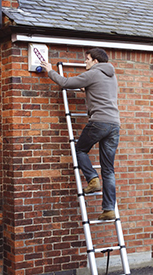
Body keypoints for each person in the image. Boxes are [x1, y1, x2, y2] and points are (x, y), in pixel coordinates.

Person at [40, 48, 120, 220]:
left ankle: (92, 179)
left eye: (88, 59)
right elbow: (101, 93)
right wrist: (87, 90)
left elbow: (65, 82)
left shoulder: (93, 73)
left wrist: (49, 70)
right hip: (114, 125)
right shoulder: (112, 76)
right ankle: (108, 209)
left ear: (96, 62)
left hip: (99, 122)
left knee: (79, 150)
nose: (86, 62)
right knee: (108, 169)